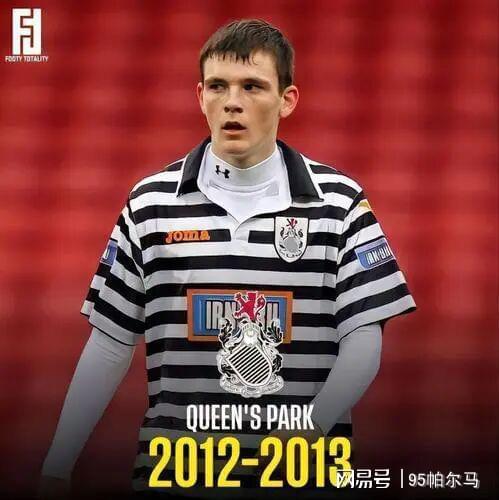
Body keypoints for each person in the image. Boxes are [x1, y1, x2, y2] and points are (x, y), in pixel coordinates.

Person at [39, 19, 416, 498]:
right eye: (218, 86)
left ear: (287, 99)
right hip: (176, 476)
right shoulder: (151, 203)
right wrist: (58, 463)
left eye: (252, 86)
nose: (232, 101)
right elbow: (110, 342)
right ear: (201, 97)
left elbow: (364, 339)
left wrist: (310, 428)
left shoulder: (339, 204)